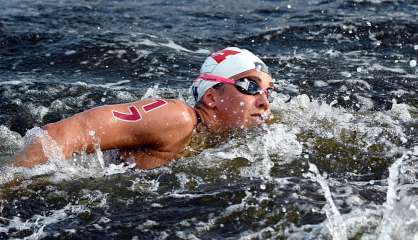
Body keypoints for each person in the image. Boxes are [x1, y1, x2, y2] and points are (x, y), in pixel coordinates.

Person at [12, 47, 274, 169]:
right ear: (211, 97)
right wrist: (8, 181)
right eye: (249, 86)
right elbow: (60, 134)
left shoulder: (232, 135)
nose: (263, 100)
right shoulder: (177, 117)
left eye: (267, 91)